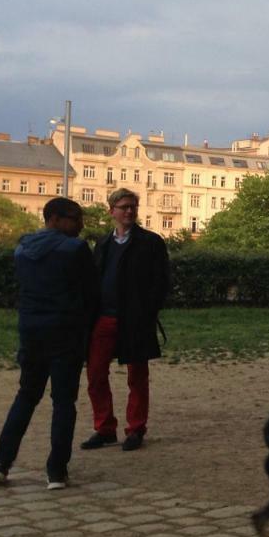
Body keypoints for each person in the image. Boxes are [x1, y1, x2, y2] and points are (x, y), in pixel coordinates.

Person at [0, 197, 98, 489]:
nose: (81, 225)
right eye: (76, 218)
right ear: (56, 218)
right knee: (64, 402)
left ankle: (1, 463)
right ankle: (56, 471)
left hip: (31, 331)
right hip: (65, 333)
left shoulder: (22, 248)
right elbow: (91, 292)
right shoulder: (76, 249)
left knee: (26, 396)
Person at [81, 187, 170, 452]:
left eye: (132, 206)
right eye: (124, 207)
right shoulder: (104, 243)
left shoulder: (151, 242)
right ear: (112, 211)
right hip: (105, 317)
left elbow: (161, 281)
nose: (129, 211)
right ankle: (105, 428)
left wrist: (148, 310)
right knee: (96, 373)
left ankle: (135, 429)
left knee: (137, 376)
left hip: (135, 319)